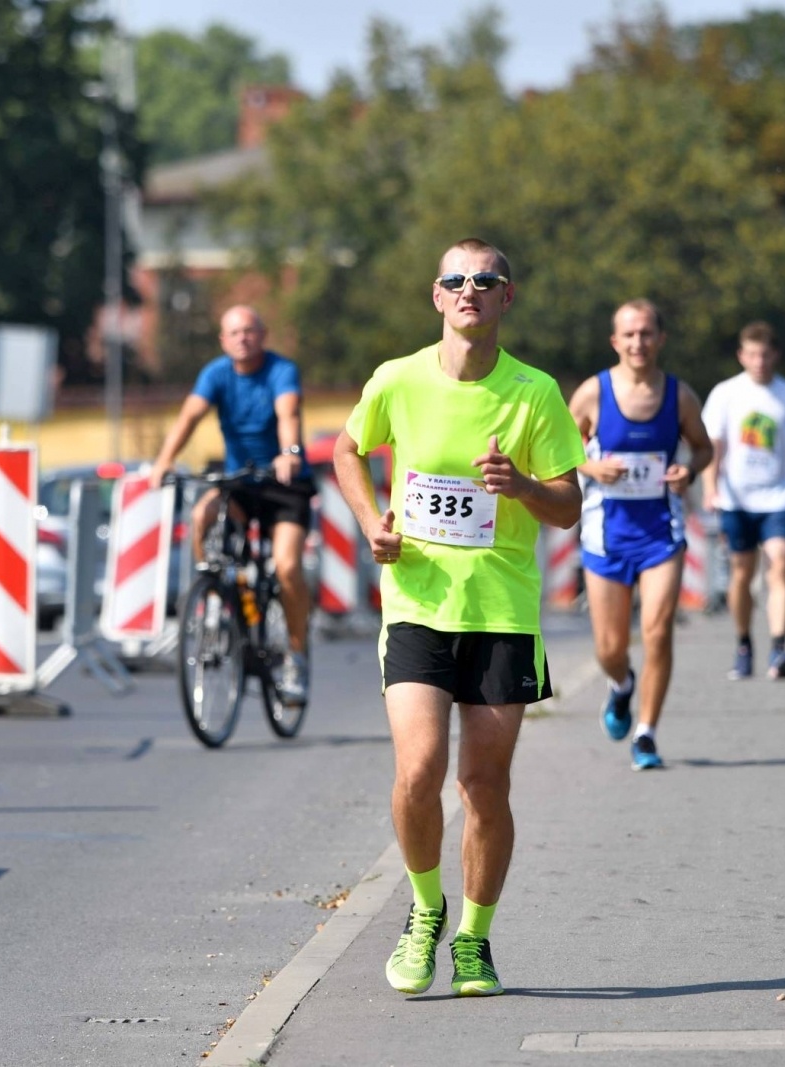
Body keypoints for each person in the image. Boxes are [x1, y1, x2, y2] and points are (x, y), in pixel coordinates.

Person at [332, 238, 584, 997]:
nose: (469, 289)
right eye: (455, 279)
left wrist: (523, 488)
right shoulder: (396, 380)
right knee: (418, 771)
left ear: (507, 297)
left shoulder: (535, 393)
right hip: (415, 602)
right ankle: (423, 910)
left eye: (485, 280)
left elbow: (570, 506)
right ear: (436, 296)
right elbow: (347, 448)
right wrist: (372, 518)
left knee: (483, 783)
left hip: (501, 610)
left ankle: (474, 937)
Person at [568, 300, 713, 770]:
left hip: (660, 533)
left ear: (661, 339)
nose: (638, 343)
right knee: (610, 649)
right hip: (605, 535)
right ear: (615, 341)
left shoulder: (679, 396)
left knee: (657, 630)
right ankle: (621, 685)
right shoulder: (593, 393)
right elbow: (558, 452)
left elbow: (704, 449)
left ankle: (647, 733)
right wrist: (591, 466)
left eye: (647, 333)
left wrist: (687, 472)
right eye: (629, 335)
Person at [149, 305, 315, 704]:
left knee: (288, 566)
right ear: (224, 340)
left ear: (263, 334)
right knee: (201, 516)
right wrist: (164, 460)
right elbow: (189, 417)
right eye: (234, 332)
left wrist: (290, 452)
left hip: (283, 483)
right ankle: (213, 600)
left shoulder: (280, 371)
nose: (243, 338)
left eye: (250, 331)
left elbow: (287, 412)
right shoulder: (216, 374)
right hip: (240, 482)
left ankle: (296, 656)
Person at [701, 322, 785, 681]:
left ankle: (779, 647)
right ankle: (744, 645)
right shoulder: (726, 394)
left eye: (765, 354)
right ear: (742, 356)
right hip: (737, 498)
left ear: (776, 356)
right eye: (752, 354)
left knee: (780, 565)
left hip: (781, 497)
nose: (759, 361)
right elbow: (715, 447)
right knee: (741, 572)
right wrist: (711, 487)